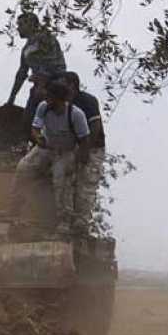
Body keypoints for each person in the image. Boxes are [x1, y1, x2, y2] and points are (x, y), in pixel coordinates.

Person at [8, 80, 89, 236]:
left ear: (59, 99)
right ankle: (14, 208)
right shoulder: (43, 107)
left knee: (61, 181)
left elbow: (84, 140)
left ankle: (64, 221)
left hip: (65, 152)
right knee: (23, 168)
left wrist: (78, 162)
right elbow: (35, 128)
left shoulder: (76, 114)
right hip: (45, 147)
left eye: (50, 97)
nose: (47, 100)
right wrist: (38, 138)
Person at [56, 71, 106, 238]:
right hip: (72, 147)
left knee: (86, 185)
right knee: (66, 182)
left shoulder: (87, 101)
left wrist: (85, 150)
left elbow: (95, 126)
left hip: (93, 148)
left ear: (72, 85)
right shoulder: (61, 103)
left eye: (63, 84)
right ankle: (66, 220)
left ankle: (81, 224)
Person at [6, 12, 67, 138]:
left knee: (53, 120)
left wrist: (45, 80)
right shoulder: (26, 49)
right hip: (38, 88)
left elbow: (56, 65)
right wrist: (12, 96)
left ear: (31, 24)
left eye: (21, 25)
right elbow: (22, 72)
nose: (18, 28)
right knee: (28, 120)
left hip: (55, 86)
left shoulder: (46, 39)